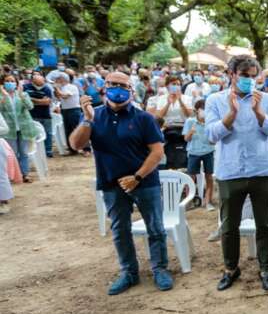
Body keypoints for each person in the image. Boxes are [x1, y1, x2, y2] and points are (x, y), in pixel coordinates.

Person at [69, 72, 174, 294]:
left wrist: (137, 177)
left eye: (123, 85)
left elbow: (157, 152)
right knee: (120, 230)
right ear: (103, 88)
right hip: (111, 183)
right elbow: (76, 144)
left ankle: (160, 269)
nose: (118, 88)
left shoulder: (143, 118)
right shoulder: (94, 115)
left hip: (144, 182)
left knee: (155, 227)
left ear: (131, 90)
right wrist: (87, 119)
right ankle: (129, 272)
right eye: (112, 84)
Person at [205, 55, 268, 292]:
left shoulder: (267, 99)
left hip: (262, 169)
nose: (249, 80)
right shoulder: (215, 100)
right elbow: (211, 135)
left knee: (265, 224)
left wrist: (259, 113)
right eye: (244, 76)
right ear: (231, 75)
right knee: (229, 226)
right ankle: (231, 268)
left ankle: (266, 268)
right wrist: (231, 113)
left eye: (253, 76)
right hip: (230, 171)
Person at [149, 74, 193, 169]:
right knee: (169, 153)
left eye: (178, 84)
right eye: (173, 84)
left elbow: (189, 114)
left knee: (182, 154)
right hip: (167, 129)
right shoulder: (161, 98)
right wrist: (168, 103)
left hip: (183, 129)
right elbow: (159, 115)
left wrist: (180, 100)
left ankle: (182, 168)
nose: (176, 86)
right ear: (168, 85)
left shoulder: (187, 98)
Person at [0, 74, 37, 181]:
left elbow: (30, 106)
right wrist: (4, 96)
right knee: (12, 153)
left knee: (24, 152)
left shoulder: (23, 94)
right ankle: (13, 175)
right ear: (2, 83)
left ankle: (25, 174)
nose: (10, 83)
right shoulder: (1, 96)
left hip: (24, 128)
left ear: (16, 83)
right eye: (7, 81)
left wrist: (21, 94)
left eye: (12, 81)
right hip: (9, 129)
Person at [183, 99, 216, 209]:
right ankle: (189, 201)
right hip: (193, 152)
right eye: (202, 109)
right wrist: (191, 132)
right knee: (190, 177)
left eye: (206, 109)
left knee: (209, 176)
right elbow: (186, 139)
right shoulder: (190, 121)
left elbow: (214, 140)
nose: (204, 111)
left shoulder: (211, 122)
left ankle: (208, 201)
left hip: (209, 151)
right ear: (196, 110)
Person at [51, 70, 83, 153]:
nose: (56, 80)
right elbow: (58, 97)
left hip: (74, 110)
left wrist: (57, 88)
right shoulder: (61, 88)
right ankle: (72, 148)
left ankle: (84, 148)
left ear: (63, 79)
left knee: (77, 128)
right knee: (68, 130)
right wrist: (56, 89)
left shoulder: (72, 87)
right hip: (65, 110)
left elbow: (65, 96)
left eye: (58, 79)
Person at [25, 73, 54, 158]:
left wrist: (32, 100)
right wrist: (40, 100)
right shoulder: (26, 87)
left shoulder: (47, 88)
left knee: (48, 133)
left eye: (42, 83)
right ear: (33, 81)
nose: (41, 85)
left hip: (45, 115)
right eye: (38, 83)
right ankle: (37, 152)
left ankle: (48, 151)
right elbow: (25, 100)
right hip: (32, 115)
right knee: (35, 135)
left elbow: (47, 102)